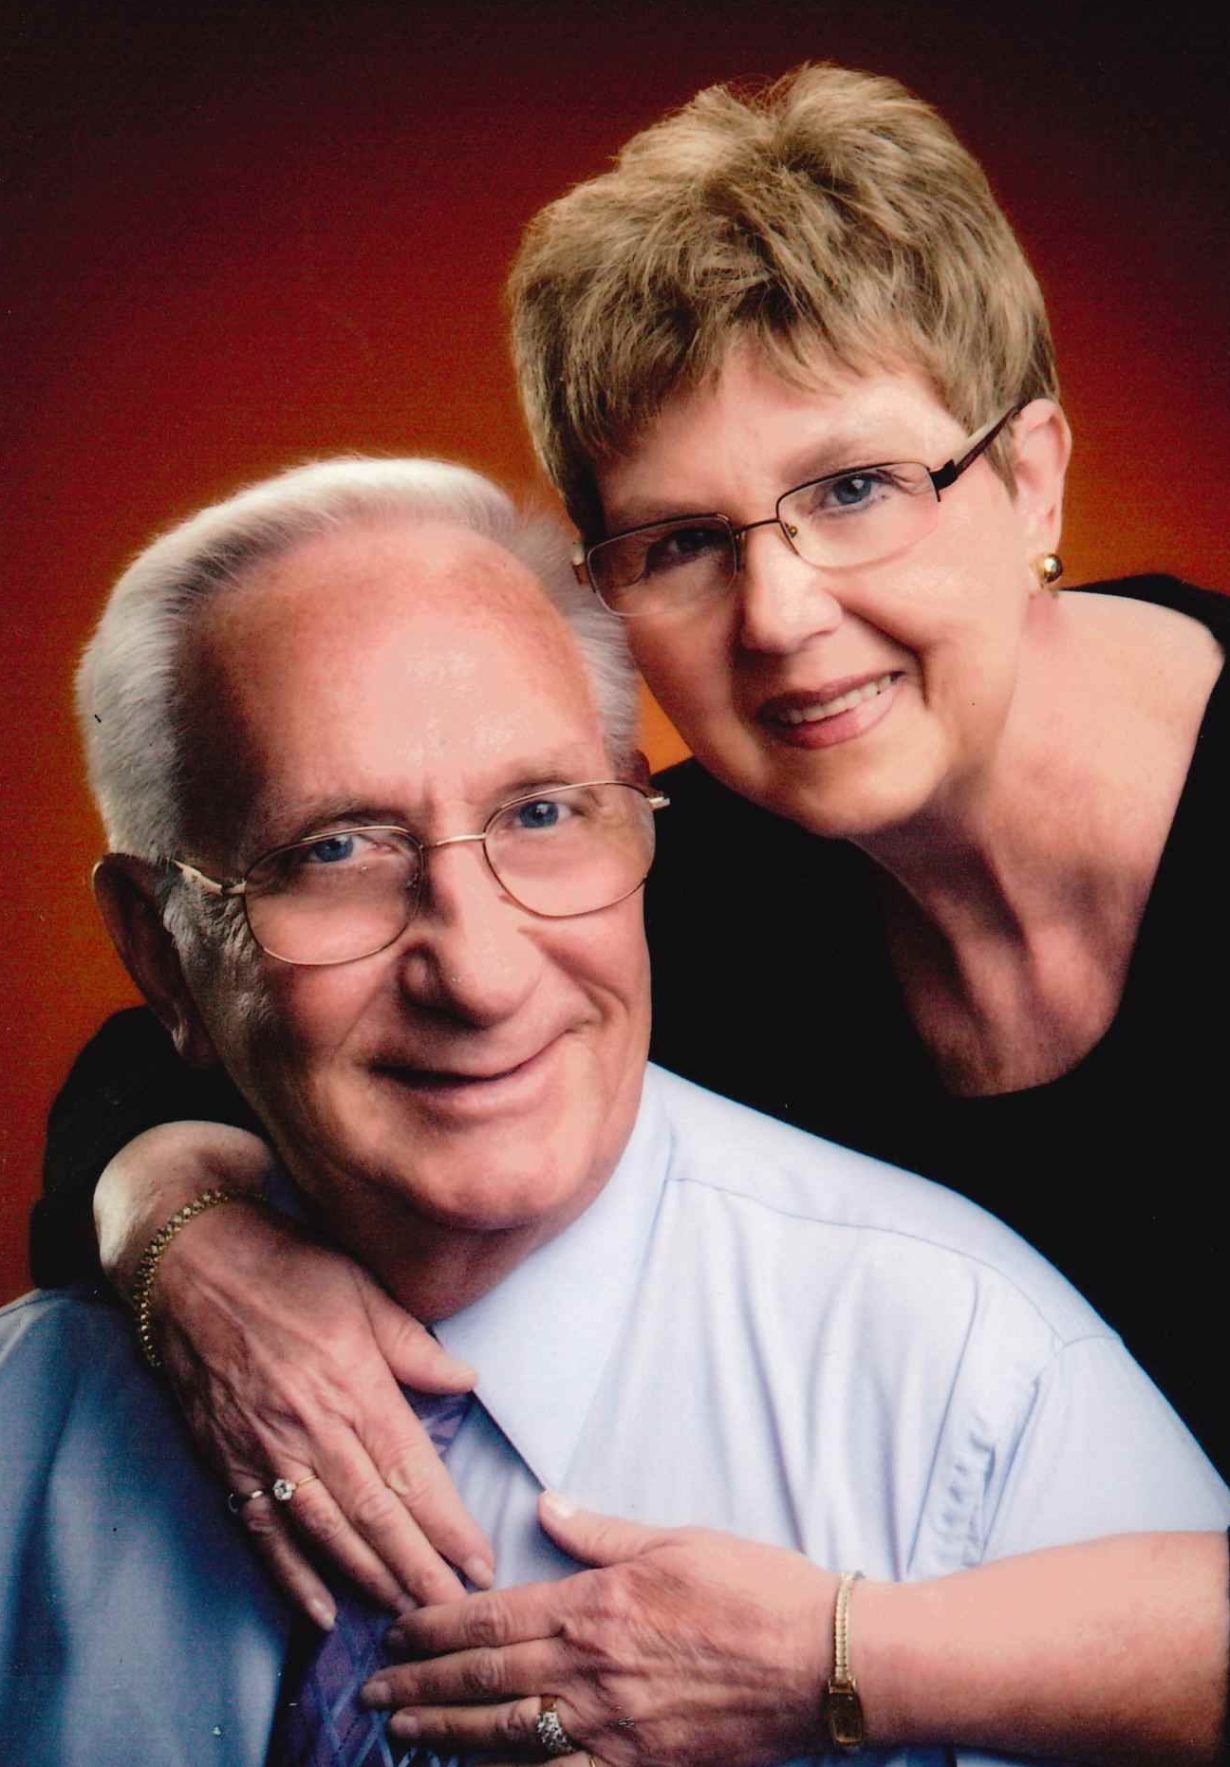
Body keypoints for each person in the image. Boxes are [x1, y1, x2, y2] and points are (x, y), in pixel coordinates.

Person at [25, 62, 1230, 1761]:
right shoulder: (667, 887)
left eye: (853, 488)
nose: (779, 615)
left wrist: (841, 1661)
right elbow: (198, 1032)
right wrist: (187, 1247)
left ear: (1031, 477)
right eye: (677, 542)